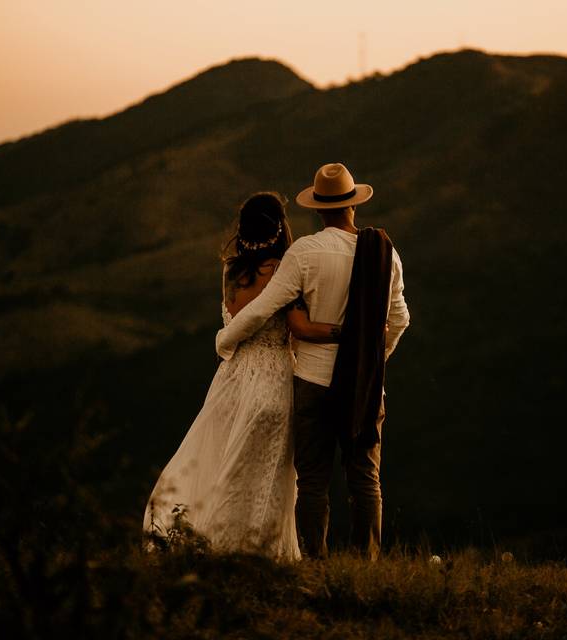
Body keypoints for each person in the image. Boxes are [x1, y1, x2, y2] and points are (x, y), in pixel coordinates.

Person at [215, 163, 410, 560]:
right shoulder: (385, 252)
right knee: (365, 479)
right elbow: (400, 318)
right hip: (365, 385)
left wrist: (225, 339)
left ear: (319, 209)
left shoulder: (304, 251)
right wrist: (371, 359)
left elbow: (262, 309)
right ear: (353, 205)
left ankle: (315, 562)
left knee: (313, 480)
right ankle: (367, 562)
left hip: (312, 381)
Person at [143, 191, 339, 561]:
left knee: (221, 462)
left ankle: (210, 542)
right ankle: (256, 551)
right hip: (273, 378)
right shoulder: (285, 269)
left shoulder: (230, 270)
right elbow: (297, 327)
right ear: (280, 227)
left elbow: (234, 322)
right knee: (266, 473)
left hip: (231, 379)